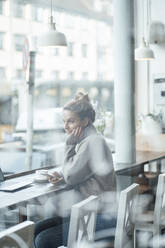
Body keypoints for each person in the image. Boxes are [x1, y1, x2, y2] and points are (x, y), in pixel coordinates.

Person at [34, 92, 117, 248]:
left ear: (85, 121)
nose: (66, 127)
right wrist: (63, 175)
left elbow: (71, 176)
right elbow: (77, 172)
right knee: (37, 228)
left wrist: (69, 146)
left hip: (99, 217)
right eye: (64, 122)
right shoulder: (91, 139)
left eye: (71, 121)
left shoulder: (92, 142)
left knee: (42, 240)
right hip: (94, 212)